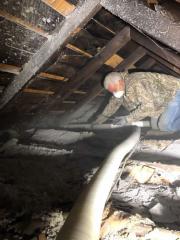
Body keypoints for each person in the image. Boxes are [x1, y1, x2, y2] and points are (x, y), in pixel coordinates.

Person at [95, 71, 180, 132]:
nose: (115, 93)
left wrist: (127, 119)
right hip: (162, 100)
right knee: (155, 126)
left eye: (115, 90)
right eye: (112, 91)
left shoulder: (135, 83)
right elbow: (114, 103)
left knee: (165, 126)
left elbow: (147, 107)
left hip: (175, 92)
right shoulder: (122, 86)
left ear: (120, 82)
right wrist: (102, 118)